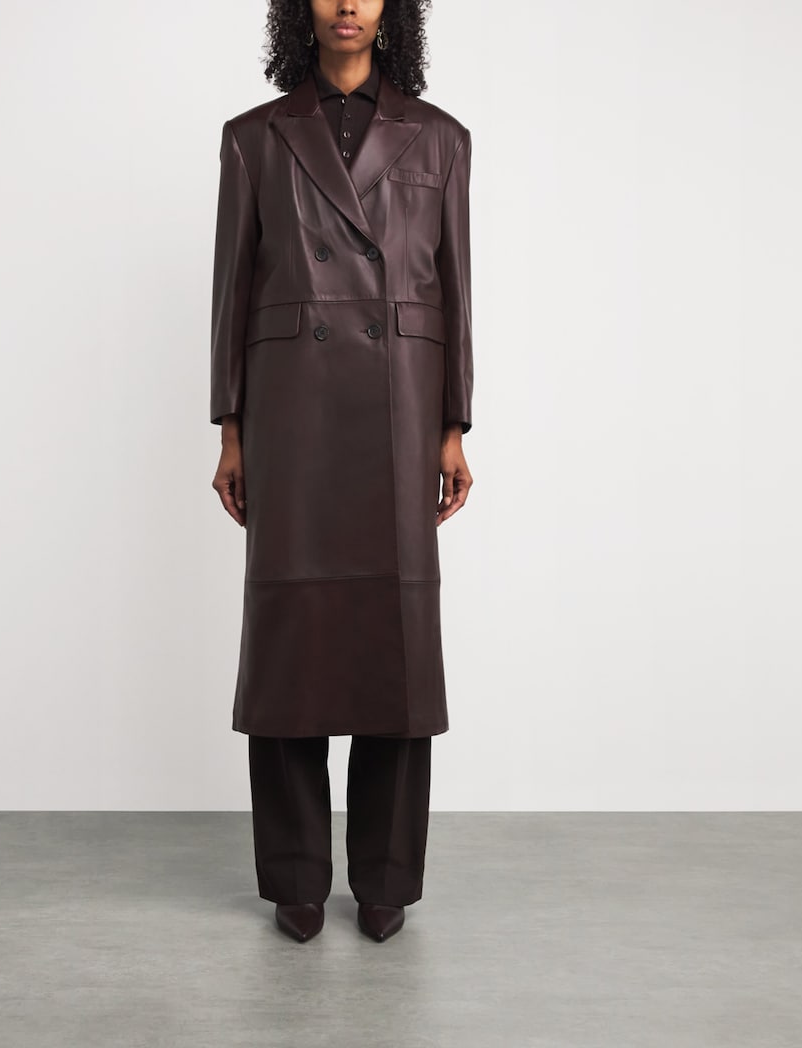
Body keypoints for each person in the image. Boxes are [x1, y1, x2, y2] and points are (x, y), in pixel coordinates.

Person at [209, 0, 474, 944]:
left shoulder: (442, 137)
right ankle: (294, 877)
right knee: (294, 635)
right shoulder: (253, 137)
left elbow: (456, 288)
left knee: (395, 642)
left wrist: (453, 424)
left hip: (402, 403)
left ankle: (387, 878)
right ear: (300, 9)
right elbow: (232, 289)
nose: (347, 4)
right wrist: (231, 427)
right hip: (293, 411)